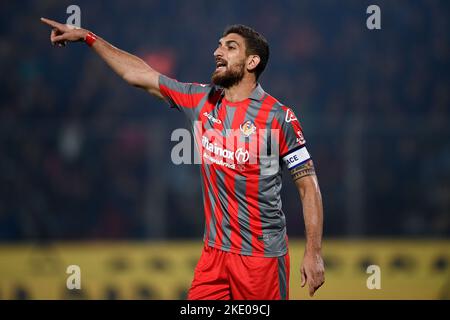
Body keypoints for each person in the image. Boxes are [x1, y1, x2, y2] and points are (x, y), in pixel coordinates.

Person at [40, 17, 325, 300]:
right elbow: (139, 75)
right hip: (214, 256)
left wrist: (313, 252)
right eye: (219, 46)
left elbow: (307, 185)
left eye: (230, 47)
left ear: (251, 62)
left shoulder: (278, 117)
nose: (218, 52)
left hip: (260, 259)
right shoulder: (201, 100)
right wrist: (88, 37)